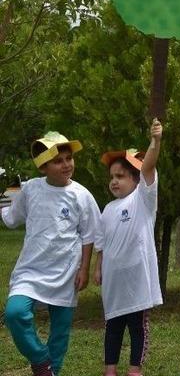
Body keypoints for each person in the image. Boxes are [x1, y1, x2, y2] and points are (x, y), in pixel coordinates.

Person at [3, 131, 99, 376]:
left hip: (66, 270)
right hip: (30, 270)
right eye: (58, 160)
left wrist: (84, 268)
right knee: (15, 313)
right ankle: (40, 358)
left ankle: (50, 371)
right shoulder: (31, 189)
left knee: (60, 330)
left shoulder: (81, 195)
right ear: (44, 167)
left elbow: (89, 235)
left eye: (69, 158)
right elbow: (12, 219)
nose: (66, 164)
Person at [94, 119, 164, 376]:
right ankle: (109, 369)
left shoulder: (143, 201)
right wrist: (98, 267)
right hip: (114, 281)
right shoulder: (107, 209)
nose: (114, 181)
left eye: (121, 176)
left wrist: (154, 142)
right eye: (112, 177)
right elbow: (101, 242)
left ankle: (135, 369)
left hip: (137, 279)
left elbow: (148, 168)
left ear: (136, 179)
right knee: (112, 325)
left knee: (137, 326)